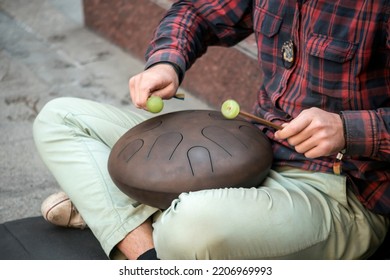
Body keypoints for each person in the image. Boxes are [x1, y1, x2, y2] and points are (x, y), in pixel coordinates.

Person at [33, 0, 390, 260]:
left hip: (341, 191)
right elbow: (196, 12)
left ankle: (124, 217)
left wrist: (350, 129)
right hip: (247, 149)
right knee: (60, 118)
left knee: (188, 224)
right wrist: (166, 62)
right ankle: (148, 256)